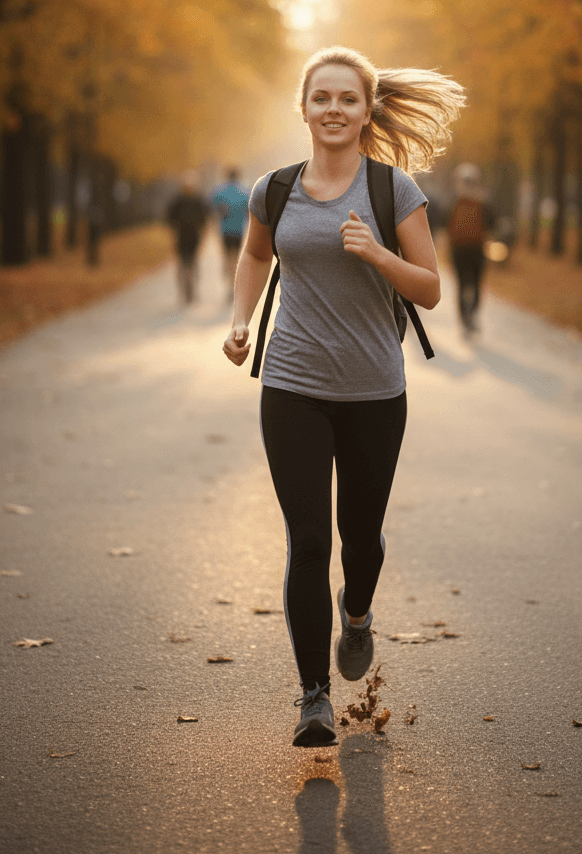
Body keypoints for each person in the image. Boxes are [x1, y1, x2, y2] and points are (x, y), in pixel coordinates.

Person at [222, 46, 464, 747]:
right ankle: (313, 699)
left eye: (346, 99)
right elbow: (253, 255)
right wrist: (240, 320)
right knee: (306, 540)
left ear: (366, 111)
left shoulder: (393, 192)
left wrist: (380, 254)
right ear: (304, 109)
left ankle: (356, 613)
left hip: (374, 393)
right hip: (292, 386)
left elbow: (431, 288)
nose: (333, 109)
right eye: (320, 98)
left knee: (359, 540)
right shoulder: (274, 189)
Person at [447, 163, 496, 336]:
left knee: (462, 284)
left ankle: (465, 320)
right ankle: (472, 316)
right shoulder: (483, 202)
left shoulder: (454, 202)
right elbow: (491, 225)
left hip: (460, 249)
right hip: (476, 248)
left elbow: (446, 226)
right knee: (475, 283)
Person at [165, 170, 208, 304]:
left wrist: (203, 237)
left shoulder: (198, 200)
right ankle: (184, 290)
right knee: (183, 264)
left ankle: (191, 289)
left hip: (193, 237)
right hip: (181, 237)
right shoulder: (178, 201)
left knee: (192, 264)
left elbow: (204, 220)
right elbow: (169, 219)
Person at [211, 167, 250, 298]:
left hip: (225, 230)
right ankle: (234, 285)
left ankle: (229, 285)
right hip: (239, 230)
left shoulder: (220, 191)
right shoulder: (244, 191)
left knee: (228, 258)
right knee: (237, 258)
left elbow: (212, 207)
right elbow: (249, 211)